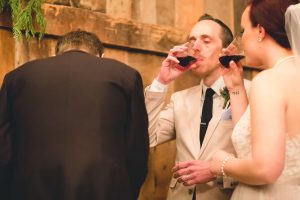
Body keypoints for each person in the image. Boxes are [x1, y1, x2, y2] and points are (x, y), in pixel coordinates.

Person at [0, 30, 149, 200]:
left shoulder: (16, 78)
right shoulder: (127, 76)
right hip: (105, 188)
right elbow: (136, 146)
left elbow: (3, 145)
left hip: (30, 188)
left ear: (56, 53)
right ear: (100, 56)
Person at [145, 14, 250, 200]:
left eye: (206, 41)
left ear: (225, 50)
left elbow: (259, 159)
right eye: (192, 40)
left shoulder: (250, 92)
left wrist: (218, 172)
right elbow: (147, 137)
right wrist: (161, 82)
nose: (195, 47)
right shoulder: (180, 99)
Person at [209, 0, 300, 199]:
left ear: (260, 31)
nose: (240, 40)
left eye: (242, 31)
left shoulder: (269, 81)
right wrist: (235, 87)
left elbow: (265, 169)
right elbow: (253, 141)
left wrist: (223, 163)